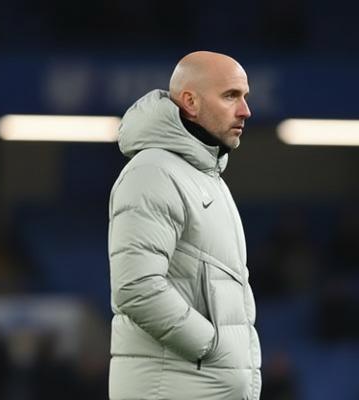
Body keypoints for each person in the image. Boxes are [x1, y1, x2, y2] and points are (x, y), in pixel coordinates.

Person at [108, 51, 261, 399]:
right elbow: (136, 287)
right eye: (231, 96)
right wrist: (213, 348)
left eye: (244, 97)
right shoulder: (153, 172)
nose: (245, 110)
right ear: (190, 102)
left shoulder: (205, 177)